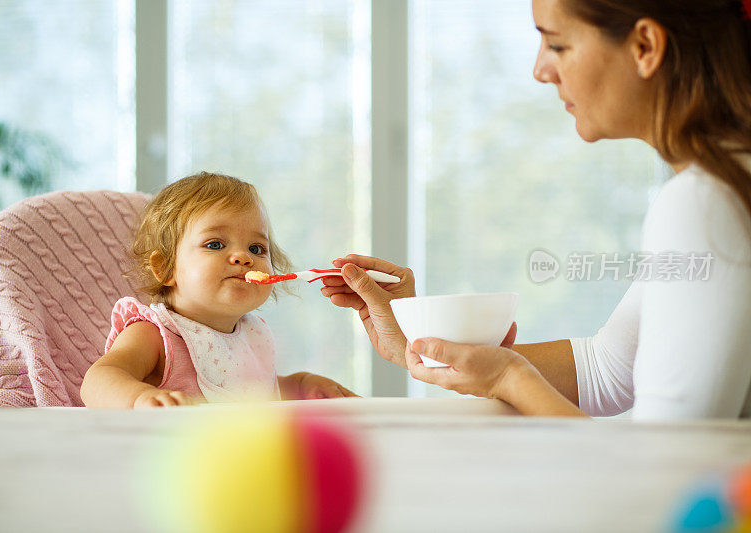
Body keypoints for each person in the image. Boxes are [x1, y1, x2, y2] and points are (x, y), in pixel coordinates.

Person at [321, 0, 751, 420]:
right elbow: (608, 371)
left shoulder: (706, 202)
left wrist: (510, 378)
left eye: (558, 45)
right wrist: (421, 342)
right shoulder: (721, 186)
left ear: (645, 47)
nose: (540, 69)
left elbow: (667, 464)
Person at [80, 172, 356, 408]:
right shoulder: (155, 334)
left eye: (256, 248)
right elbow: (98, 380)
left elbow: (247, 392)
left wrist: (300, 385)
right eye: (215, 244)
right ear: (166, 268)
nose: (243, 257)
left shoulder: (252, 335)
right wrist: (140, 398)